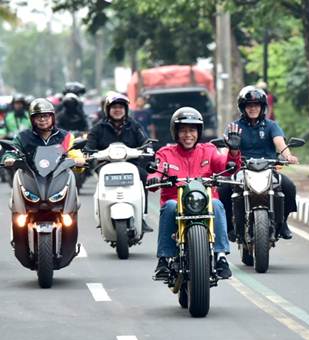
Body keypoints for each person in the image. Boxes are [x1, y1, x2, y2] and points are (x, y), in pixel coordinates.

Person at [146, 107, 241, 280]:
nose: (187, 135)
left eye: (192, 130)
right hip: (176, 202)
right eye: (183, 130)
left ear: (199, 132)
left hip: (205, 202)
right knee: (169, 206)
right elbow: (157, 170)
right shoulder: (165, 153)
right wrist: (154, 177)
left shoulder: (209, 150)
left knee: (218, 204)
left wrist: (233, 152)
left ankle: (220, 256)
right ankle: (164, 259)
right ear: (175, 132)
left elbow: (226, 168)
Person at [218, 86, 299, 240]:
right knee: (223, 189)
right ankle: (229, 225)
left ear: (262, 107)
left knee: (289, 187)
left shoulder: (271, 125)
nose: (253, 108)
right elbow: (225, 149)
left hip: (268, 169)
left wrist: (288, 156)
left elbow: (280, 144)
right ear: (243, 107)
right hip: (241, 169)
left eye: (256, 105)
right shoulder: (234, 127)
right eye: (249, 105)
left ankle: (283, 223)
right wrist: (224, 161)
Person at [85, 92, 153, 232]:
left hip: (131, 165)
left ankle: (143, 216)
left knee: (145, 177)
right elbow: (90, 144)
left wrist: (148, 147)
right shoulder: (99, 128)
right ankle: (101, 215)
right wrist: (88, 151)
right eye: (114, 107)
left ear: (126, 110)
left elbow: (144, 140)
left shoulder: (134, 125)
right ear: (108, 110)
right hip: (105, 166)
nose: (118, 110)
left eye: (121, 107)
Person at [1, 98, 85, 169]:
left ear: (52, 117)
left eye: (46, 115)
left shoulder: (66, 136)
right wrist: (9, 158)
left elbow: (73, 151)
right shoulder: (23, 137)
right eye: (38, 116)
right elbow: (13, 150)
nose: (42, 119)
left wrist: (78, 159)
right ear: (32, 119)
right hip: (30, 178)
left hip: (59, 177)